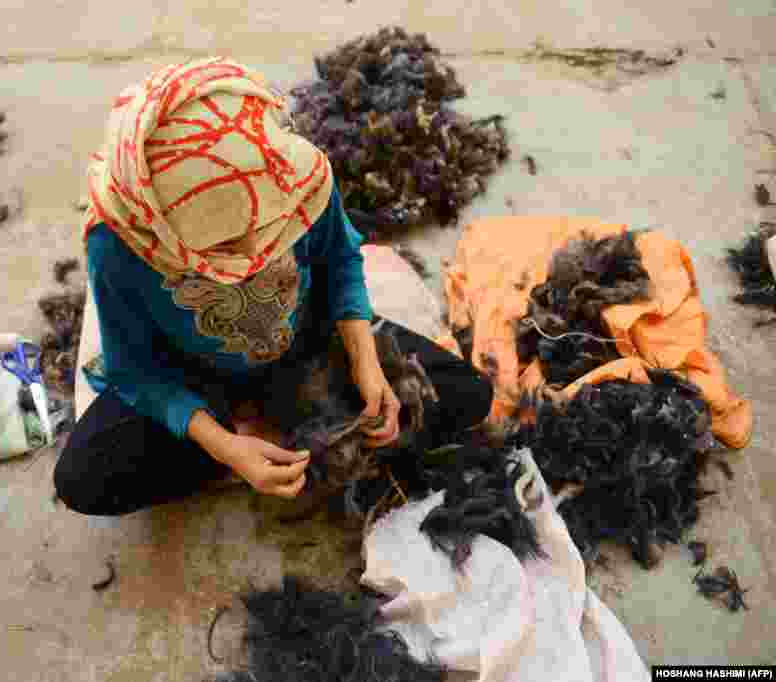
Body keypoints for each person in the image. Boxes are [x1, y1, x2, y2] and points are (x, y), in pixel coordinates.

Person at [54, 58, 492, 517]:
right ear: (159, 219)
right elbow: (134, 369)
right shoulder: (120, 237)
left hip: (306, 342)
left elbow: (341, 262)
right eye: (220, 238)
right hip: (189, 373)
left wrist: (366, 363)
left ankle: (277, 430)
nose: (250, 251)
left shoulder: (296, 177)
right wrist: (225, 446)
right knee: (83, 481)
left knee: (466, 396)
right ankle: (256, 444)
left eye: (263, 223)